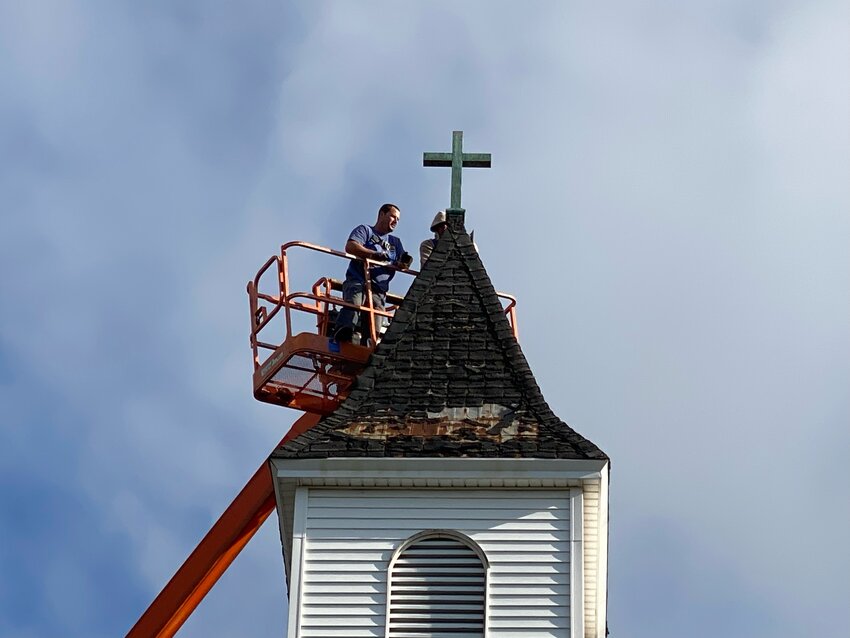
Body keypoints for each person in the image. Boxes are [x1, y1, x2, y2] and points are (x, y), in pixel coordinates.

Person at [334, 203, 411, 343]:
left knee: (375, 322)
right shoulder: (365, 230)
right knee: (354, 302)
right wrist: (374, 255)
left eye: (398, 220)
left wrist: (403, 263)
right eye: (393, 216)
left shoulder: (395, 242)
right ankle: (343, 333)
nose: (395, 221)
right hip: (358, 280)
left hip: (379, 290)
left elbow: (402, 262)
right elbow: (351, 246)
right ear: (382, 214)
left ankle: (370, 344)